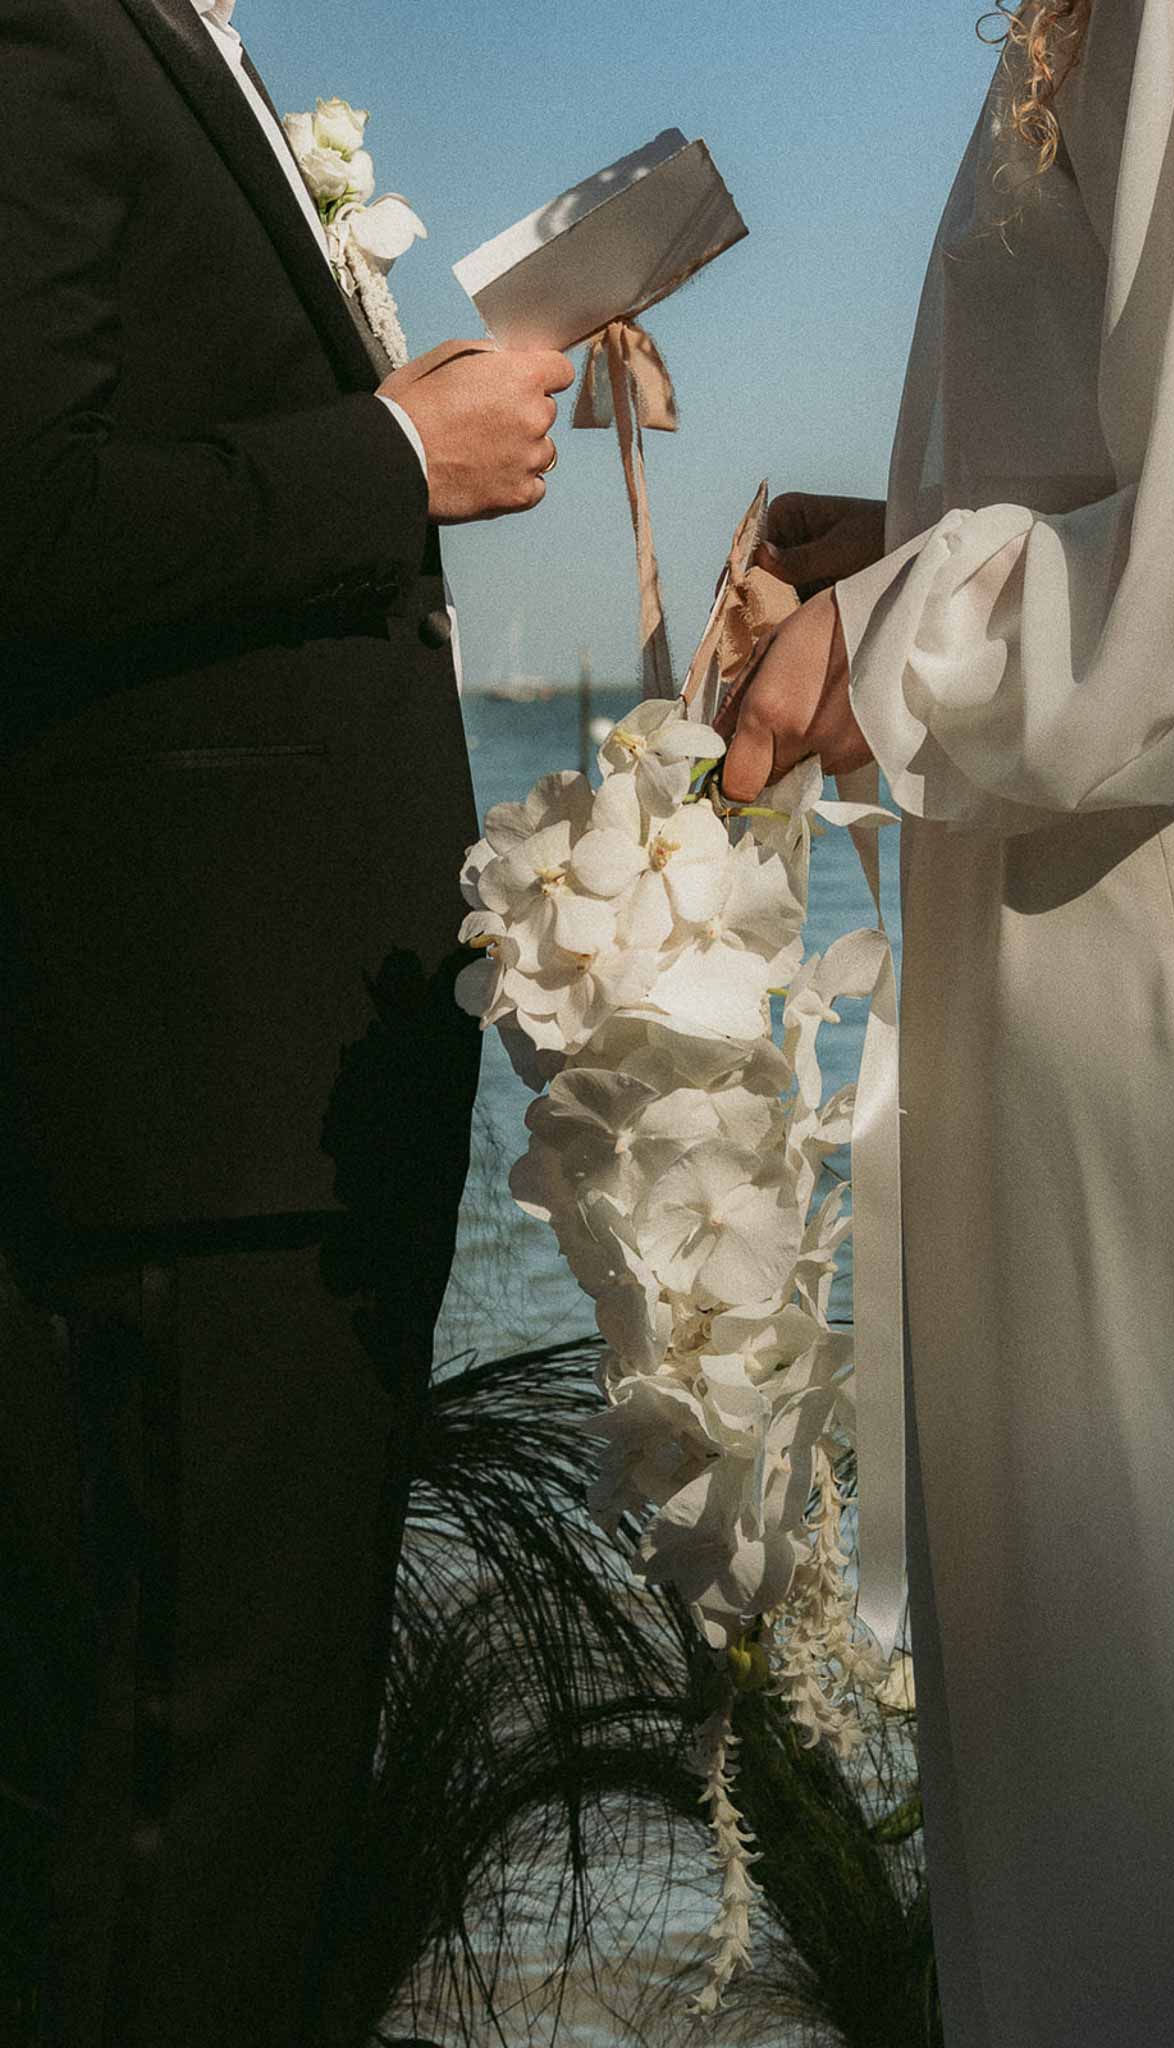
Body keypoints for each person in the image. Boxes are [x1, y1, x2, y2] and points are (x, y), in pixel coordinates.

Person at [0, 1, 573, 2043]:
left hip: (276, 1109)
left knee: (231, 1830)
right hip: (194, 1104)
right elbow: (30, 511)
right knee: (181, 1832)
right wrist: (397, 455)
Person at [714, 1, 1174, 2041]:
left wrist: (902, 635)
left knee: (1159, 1770)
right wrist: (888, 569)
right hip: (1054, 966)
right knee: (1084, 1768)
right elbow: (1123, 472)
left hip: (1151, 988)